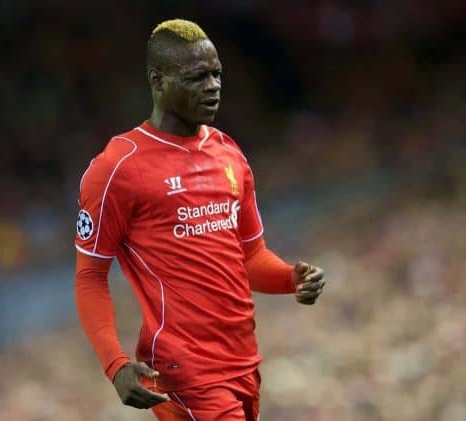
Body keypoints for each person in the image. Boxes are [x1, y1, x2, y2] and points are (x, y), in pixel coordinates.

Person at [74, 19, 325, 420]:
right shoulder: (118, 168)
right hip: (183, 372)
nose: (213, 86)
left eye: (217, 74)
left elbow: (250, 256)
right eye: (197, 77)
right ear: (158, 81)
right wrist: (114, 363)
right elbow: (90, 276)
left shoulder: (229, 154)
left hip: (243, 362)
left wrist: (289, 279)